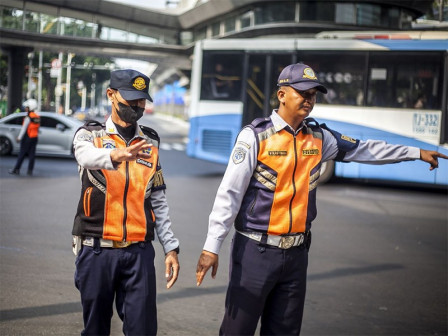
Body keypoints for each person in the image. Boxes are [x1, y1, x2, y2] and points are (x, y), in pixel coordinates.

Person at [195, 63, 448, 335]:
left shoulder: (318, 137)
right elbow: (229, 193)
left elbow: (366, 150)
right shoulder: (256, 136)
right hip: (255, 252)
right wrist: (212, 246)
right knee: (237, 330)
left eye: (314, 93)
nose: (309, 99)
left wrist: (415, 152)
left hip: (296, 256)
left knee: (285, 331)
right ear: (281, 94)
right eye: (302, 92)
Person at [71, 69, 180, 336]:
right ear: (111, 95)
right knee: (95, 329)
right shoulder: (89, 135)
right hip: (97, 249)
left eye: (142, 100)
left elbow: (158, 198)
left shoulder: (150, 140)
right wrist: (118, 154)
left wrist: (171, 248)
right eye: (131, 100)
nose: (137, 107)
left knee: (143, 330)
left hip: (138, 252)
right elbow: (84, 156)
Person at [9, 99, 40, 176]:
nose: (26, 108)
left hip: (27, 138)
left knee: (22, 154)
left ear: (30, 107)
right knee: (32, 155)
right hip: (34, 138)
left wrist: (19, 137)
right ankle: (30, 171)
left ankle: (16, 169)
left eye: (27, 107)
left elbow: (24, 129)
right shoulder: (37, 117)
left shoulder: (28, 117)